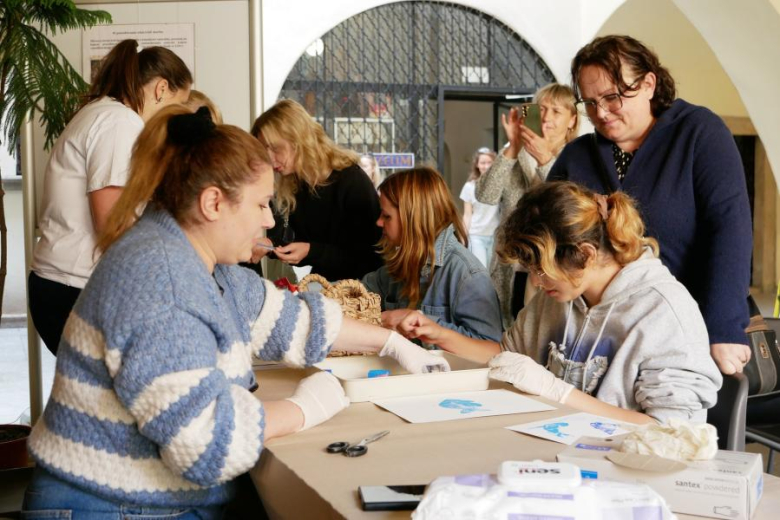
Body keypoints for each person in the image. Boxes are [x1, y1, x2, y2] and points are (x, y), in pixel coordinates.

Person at [23, 106, 449, 518]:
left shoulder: (199, 263)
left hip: (139, 499)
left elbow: (291, 319)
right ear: (213, 203)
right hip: (111, 506)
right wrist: (304, 407)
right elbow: (206, 444)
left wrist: (390, 341)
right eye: (261, 204)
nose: (268, 221)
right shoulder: (163, 281)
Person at [400, 181, 722, 425]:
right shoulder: (561, 293)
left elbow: (672, 435)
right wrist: (437, 335)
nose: (537, 282)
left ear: (585, 255)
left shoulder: (663, 313)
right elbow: (507, 356)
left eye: (542, 271)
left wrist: (559, 393)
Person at [547, 35, 752, 376]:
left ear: (648, 84)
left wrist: (723, 327)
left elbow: (730, 228)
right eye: (590, 103)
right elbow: (543, 233)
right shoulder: (578, 155)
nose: (601, 112)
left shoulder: (699, 133)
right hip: (602, 339)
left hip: (688, 332)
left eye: (612, 97)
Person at [27, 39, 193, 355]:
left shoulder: (103, 113)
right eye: (180, 104)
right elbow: (112, 224)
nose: (177, 117)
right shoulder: (119, 122)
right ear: (161, 89)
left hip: (62, 285)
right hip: (70, 288)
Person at [476, 83, 579, 328]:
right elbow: (485, 195)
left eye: (556, 111)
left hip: (554, 271)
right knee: (511, 334)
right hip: (513, 268)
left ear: (572, 120)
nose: (546, 117)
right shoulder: (515, 153)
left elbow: (570, 204)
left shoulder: (578, 156)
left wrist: (545, 161)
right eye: (541, 109)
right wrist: (512, 147)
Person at [363, 167, 502, 342]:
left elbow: (490, 347)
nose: (379, 222)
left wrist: (422, 323)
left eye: (386, 216)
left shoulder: (467, 275)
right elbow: (358, 291)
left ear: (413, 217)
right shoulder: (402, 264)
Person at [250, 99, 383, 281]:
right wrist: (270, 246)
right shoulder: (296, 184)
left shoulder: (352, 181)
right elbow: (301, 244)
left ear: (298, 140)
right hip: (324, 286)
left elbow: (370, 256)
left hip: (362, 291)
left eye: (275, 148)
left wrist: (311, 251)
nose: (270, 159)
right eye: (265, 151)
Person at [460, 147, 499, 269]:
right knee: (481, 271)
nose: (486, 166)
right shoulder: (469, 186)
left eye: (489, 162)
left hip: (496, 236)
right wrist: (463, 238)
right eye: (483, 163)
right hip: (476, 236)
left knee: (493, 274)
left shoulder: (500, 186)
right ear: (477, 165)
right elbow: (467, 214)